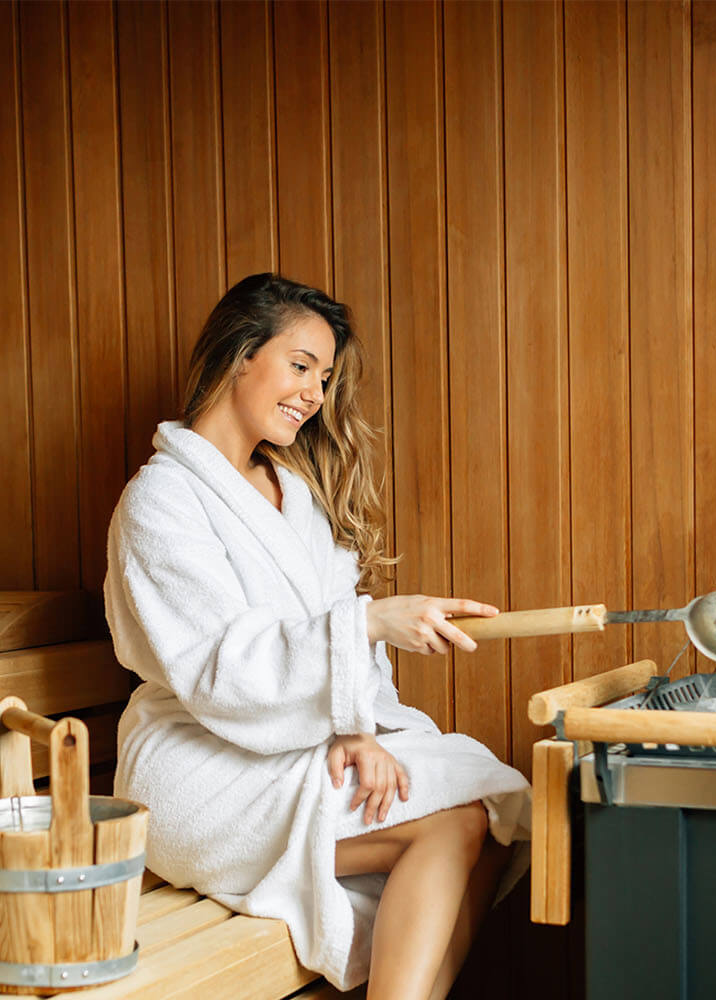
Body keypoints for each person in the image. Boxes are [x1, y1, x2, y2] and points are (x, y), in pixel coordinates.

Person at [104, 273, 531, 999]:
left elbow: (335, 649)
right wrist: (368, 623)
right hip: (199, 764)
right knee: (453, 822)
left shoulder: (292, 495)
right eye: (300, 366)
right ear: (239, 355)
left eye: (325, 377)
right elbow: (218, 672)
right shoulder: (161, 501)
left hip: (297, 743)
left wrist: (356, 729)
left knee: (493, 805)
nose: (314, 393)